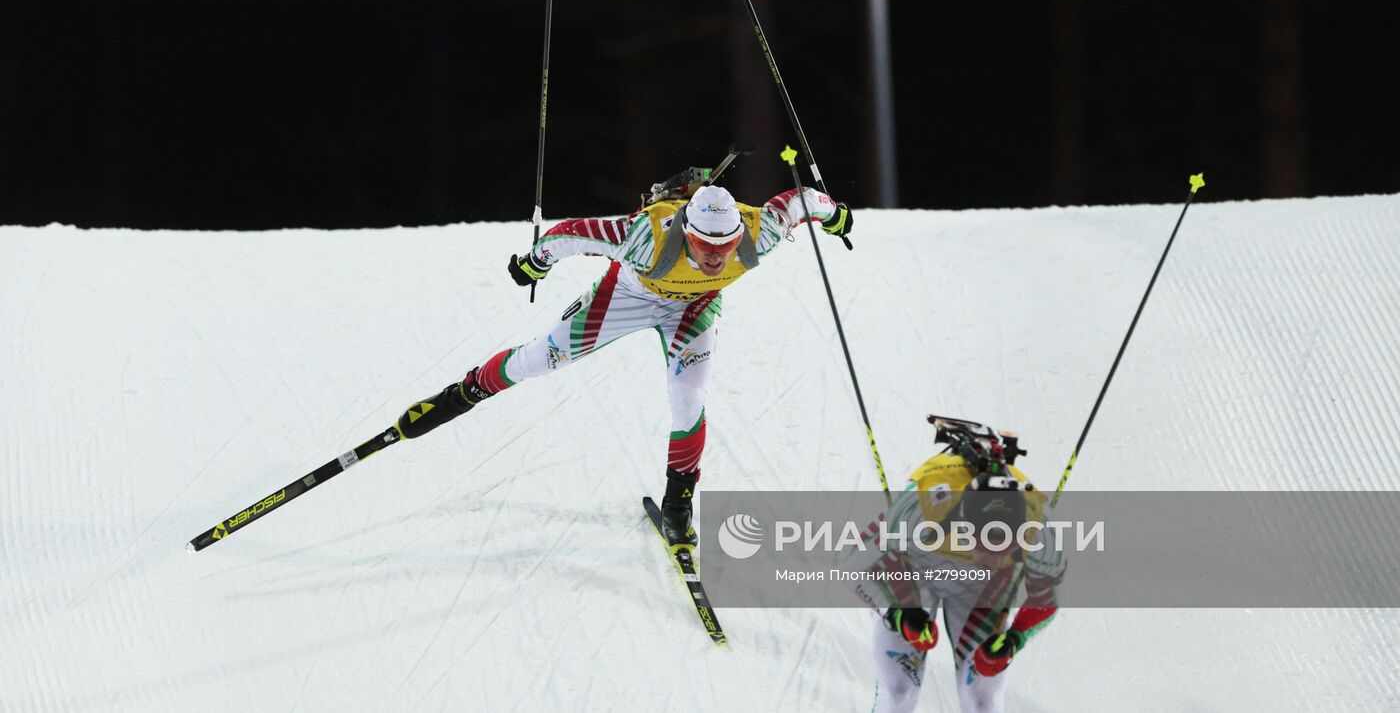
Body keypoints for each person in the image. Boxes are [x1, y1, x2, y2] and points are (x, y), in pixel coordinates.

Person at [390, 179, 852, 549]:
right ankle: (466, 392)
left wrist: (835, 215)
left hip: (692, 310)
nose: (716, 256)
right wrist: (535, 262)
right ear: (686, 232)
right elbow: (572, 233)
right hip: (626, 298)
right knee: (538, 359)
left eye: (726, 246)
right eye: (704, 245)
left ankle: (678, 504)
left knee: (689, 400)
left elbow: (802, 199)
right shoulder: (644, 239)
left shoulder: (758, 233)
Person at [848, 419, 1065, 713]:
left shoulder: (1040, 526)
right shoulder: (923, 505)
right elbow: (855, 561)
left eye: (1008, 548)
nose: (995, 559)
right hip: (917, 567)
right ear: (963, 523)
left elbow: (1045, 598)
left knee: (982, 700)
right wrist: (899, 615)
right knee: (898, 691)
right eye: (984, 546)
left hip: (981, 587)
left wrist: (1015, 639)